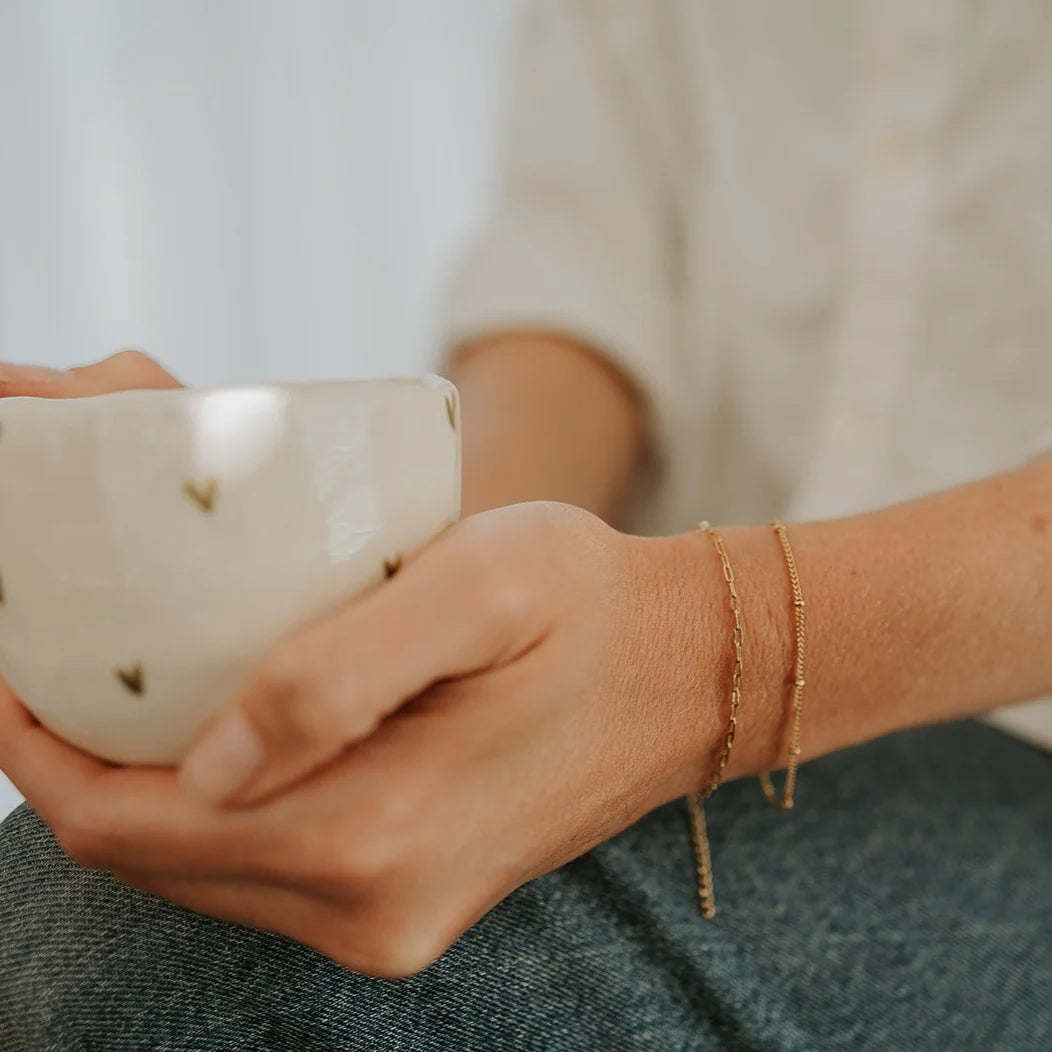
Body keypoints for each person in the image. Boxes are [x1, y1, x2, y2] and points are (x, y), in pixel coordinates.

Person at [2, 2, 1050, 1048]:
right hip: (644, 679)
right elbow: (576, 301)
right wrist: (414, 618)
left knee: (139, 951)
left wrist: (704, 645)